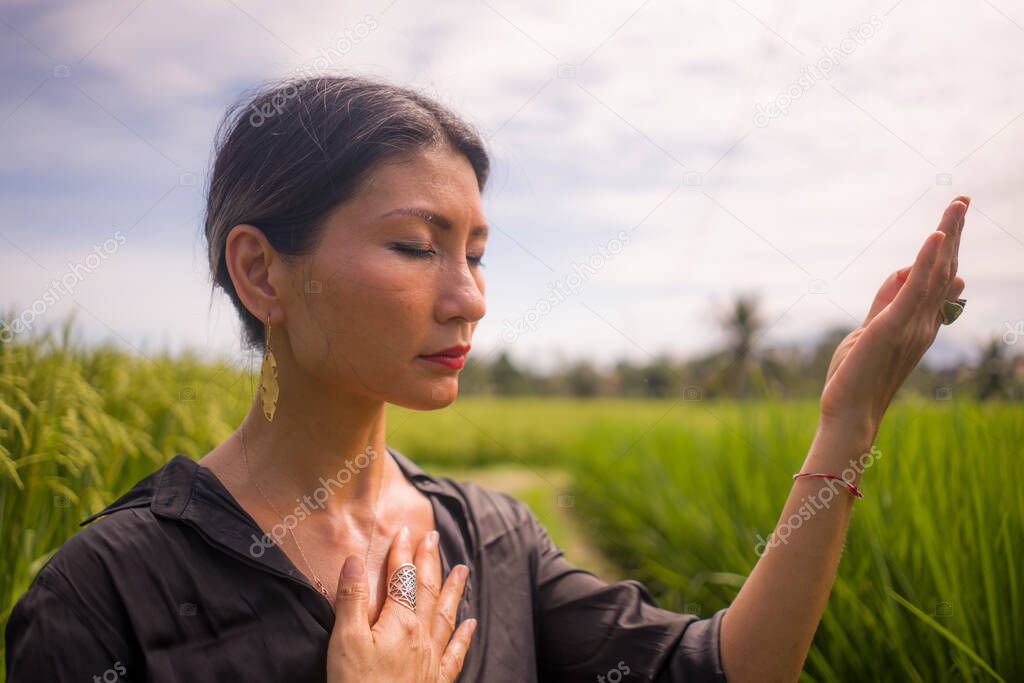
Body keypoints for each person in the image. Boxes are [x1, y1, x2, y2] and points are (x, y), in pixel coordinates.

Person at [4, 74, 970, 682]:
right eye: (416, 246)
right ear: (262, 272)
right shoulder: (104, 597)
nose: (467, 298)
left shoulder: (489, 541)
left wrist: (846, 428)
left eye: (475, 253)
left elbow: (727, 668)